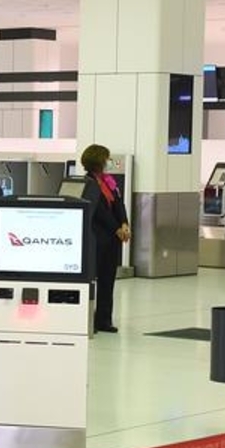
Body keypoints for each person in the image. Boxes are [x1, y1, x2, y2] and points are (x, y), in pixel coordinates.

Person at [81, 143, 130, 333]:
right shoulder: (88, 183)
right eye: (107, 158)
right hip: (97, 237)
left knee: (108, 280)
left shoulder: (109, 182)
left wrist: (124, 223)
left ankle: (104, 319)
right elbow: (99, 211)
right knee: (92, 279)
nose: (109, 161)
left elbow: (119, 204)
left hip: (112, 239)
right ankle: (87, 319)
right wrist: (116, 228)